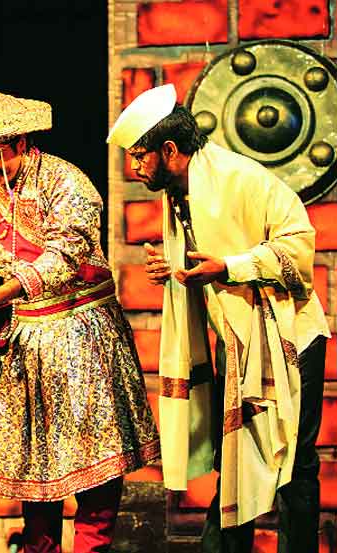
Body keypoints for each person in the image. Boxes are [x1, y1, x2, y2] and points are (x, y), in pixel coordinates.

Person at [0, 84, 160, 553]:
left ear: (20, 142)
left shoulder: (64, 181)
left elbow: (67, 252)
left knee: (96, 453)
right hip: (25, 342)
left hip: (81, 333)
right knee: (36, 461)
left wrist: (6, 290)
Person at [107, 83, 330, 553]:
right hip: (236, 336)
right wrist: (175, 268)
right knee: (232, 457)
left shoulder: (238, 177)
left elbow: (297, 245)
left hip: (287, 336)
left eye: (141, 156)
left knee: (294, 463)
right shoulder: (179, 190)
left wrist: (228, 267)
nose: (136, 167)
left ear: (170, 150)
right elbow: (208, 253)